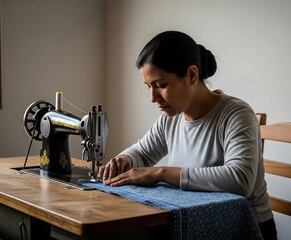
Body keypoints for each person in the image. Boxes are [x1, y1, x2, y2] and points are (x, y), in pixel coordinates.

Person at [98, 31, 277, 240]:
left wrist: (161, 173)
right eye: (149, 87)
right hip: (195, 223)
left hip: (244, 228)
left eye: (161, 85)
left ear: (191, 75)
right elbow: (143, 152)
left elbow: (239, 180)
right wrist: (124, 159)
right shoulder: (171, 117)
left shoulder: (236, 114)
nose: (153, 97)